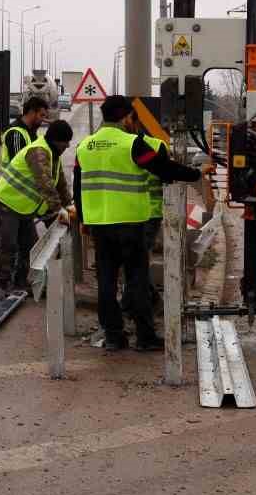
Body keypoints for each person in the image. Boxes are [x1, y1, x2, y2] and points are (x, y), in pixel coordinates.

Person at [75, 95, 213, 352]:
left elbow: (77, 186)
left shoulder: (85, 146)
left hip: (100, 226)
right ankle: (145, 337)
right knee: (136, 280)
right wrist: (196, 173)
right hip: (130, 223)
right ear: (126, 116)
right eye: (130, 118)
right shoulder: (132, 144)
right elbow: (164, 169)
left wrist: (83, 219)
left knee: (106, 282)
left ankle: (114, 336)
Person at [0, 118, 75, 295]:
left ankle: (21, 283)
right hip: (6, 203)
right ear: (56, 140)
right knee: (8, 245)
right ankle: (3, 284)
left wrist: (69, 205)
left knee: (30, 247)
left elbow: (60, 183)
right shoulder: (38, 152)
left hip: (23, 208)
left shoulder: (53, 155)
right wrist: (58, 209)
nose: (67, 146)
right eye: (65, 142)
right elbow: (45, 183)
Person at [0, 96, 49, 170]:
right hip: (13, 181)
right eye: (41, 115)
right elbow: (18, 165)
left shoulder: (31, 132)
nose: (43, 119)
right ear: (31, 112)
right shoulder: (16, 133)